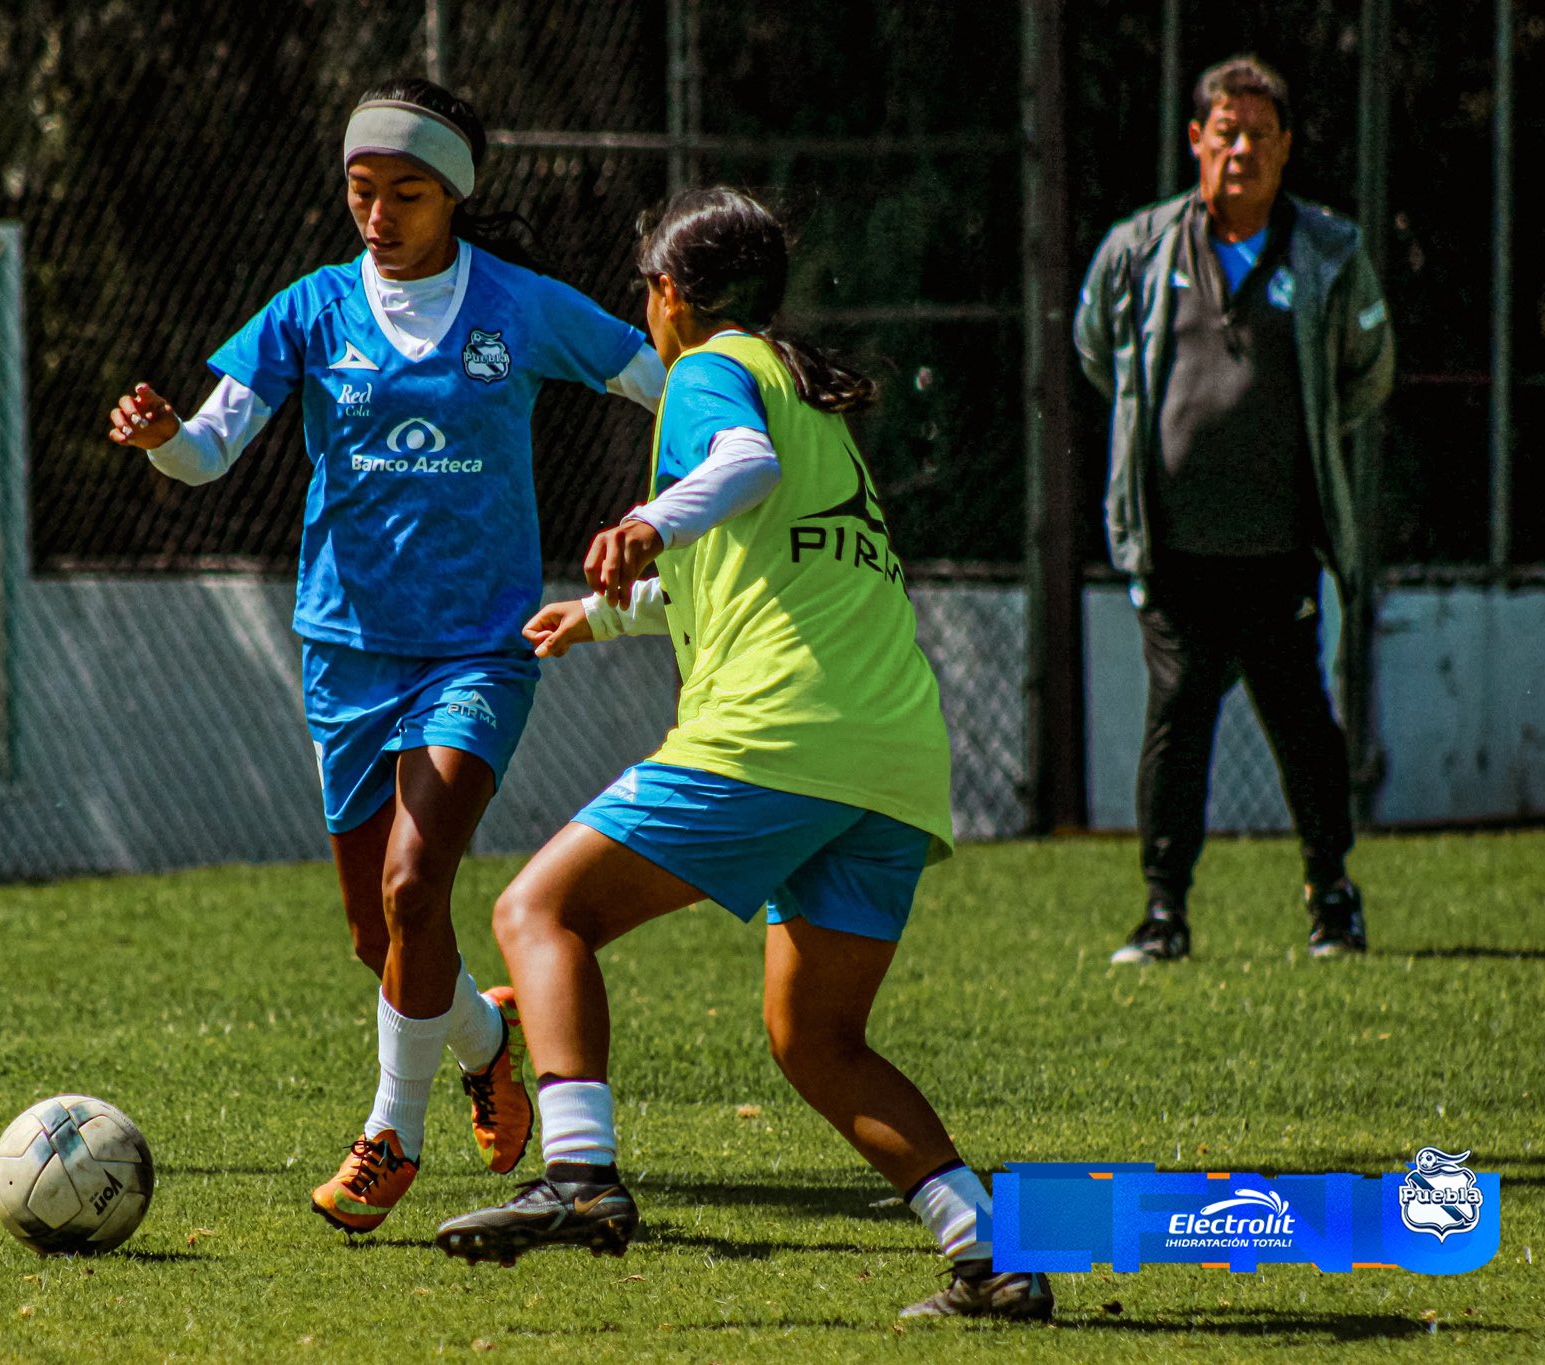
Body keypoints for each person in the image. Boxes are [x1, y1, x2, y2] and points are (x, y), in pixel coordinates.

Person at [432, 188, 1054, 1323]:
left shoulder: (711, 372)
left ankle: (577, 1174)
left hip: (778, 734)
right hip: (890, 759)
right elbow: (756, 565)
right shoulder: (805, 393)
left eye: (645, 291)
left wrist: (646, 520)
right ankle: (991, 1256)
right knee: (815, 1039)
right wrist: (605, 613)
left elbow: (740, 466)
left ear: (669, 295)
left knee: (538, 912)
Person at [107, 77, 666, 1233]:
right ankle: (486, 1040)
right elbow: (209, 452)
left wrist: (729, 453)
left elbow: (657, 377)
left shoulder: (515, 307)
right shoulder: (311, 310)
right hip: (345, 653)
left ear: (453, 195)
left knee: (417, 887)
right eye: (361, 189)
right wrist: (164, 440)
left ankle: (388, 1137)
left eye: (405, 192)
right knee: (379, 933)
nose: (378, 214)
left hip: (477, 650)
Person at [1074, 55, 1395, 965]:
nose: (1242, 150)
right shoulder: (1139, 248)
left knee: (1304, 726)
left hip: (1280, 549)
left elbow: (1367, 373)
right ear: (1196, 141)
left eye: (1260, 134)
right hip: (1174, 550)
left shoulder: (1329, 252)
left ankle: (1332, 898)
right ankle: (1163, 914)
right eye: (1227, 133)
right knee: (1177, 720)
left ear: (1286, 147)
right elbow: (1098, 350)